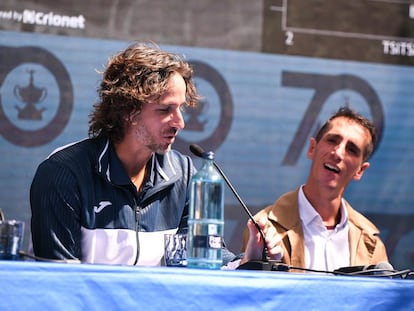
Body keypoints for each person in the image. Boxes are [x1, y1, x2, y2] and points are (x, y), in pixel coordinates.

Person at [30, 42, 234, 266]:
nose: (180, 123)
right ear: (129, 110)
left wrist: (250, 260)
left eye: (181, 108)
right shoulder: (64, 174)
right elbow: (59, 282)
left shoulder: (183, 174)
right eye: (165, 109)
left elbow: (204, 257)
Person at [241, 106, 389, 272]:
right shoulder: (265, 227)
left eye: (351, 149)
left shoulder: (371, 244)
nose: (338, 153)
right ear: (312, 148)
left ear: (360, 170)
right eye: (332, 140)